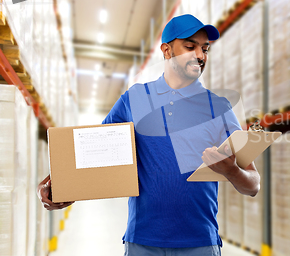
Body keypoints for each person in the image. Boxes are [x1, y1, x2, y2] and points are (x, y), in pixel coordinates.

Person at [37, 14, 260, 256]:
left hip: (200, 243)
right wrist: (55, 186)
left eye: (205, 49)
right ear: (166, 51)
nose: (200, 55)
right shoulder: (134, 99)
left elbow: (253, 184)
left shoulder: (219, 107)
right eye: (190, 46)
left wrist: (232, 171)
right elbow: (92, 155)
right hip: (142, 242)